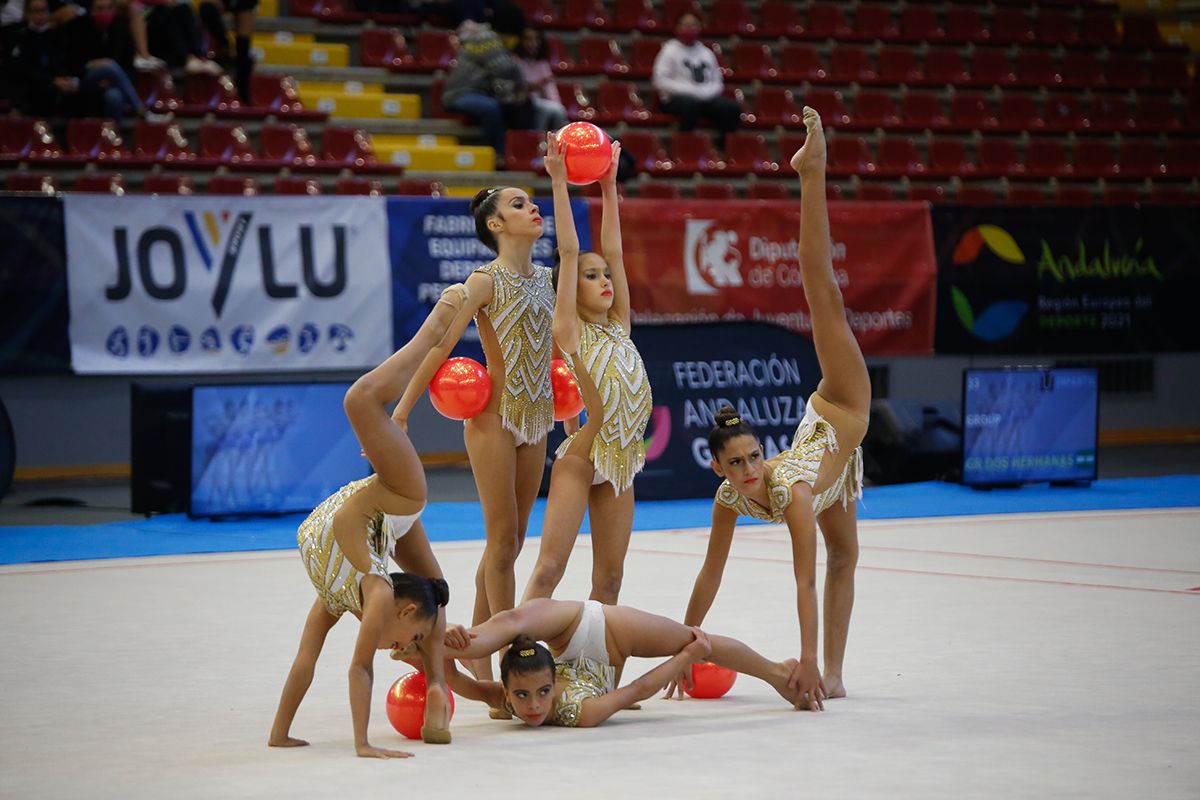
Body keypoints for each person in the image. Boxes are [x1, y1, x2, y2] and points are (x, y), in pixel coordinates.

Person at [671, 108, 870, 712]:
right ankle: (835, 676)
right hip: (827, 456)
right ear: (721, 471)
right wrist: (684, 644)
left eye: (754, 456)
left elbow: (801, 583)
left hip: (841, 407)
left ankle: (813, 170)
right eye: (738, 464)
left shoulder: (790, 494)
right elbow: (710, 576)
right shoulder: (729, 499)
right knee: (847, 554)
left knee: (821, 291)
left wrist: (802, 658)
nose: (751, 469)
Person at [268, 285, 468, 757]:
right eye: (417, 638)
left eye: (413, 640)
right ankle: (432, 334)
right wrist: (362, 744)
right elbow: (345, 521)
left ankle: (439, 688)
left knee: (436, 585)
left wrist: (282, 732)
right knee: (359, 400)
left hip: (376, 515)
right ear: (401, 610)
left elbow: (307, 660)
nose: (409, 647)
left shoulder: (346, 597)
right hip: (399, 494)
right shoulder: (375, 591)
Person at [392, 185, 554, 701]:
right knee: (503, 543)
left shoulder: (547, 278)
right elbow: (440, 343)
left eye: (532, 200)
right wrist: (401, 408)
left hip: (538, 417)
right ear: (495, 226)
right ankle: (514, 662)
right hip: (494, 420)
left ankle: (480, 656)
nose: (532, 208)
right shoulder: (485, 281)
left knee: (509, 544)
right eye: (516, 204)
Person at [521, 137, 651, 606]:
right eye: (591, 276)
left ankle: (596, 673)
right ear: (571, 287)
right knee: (550, 569)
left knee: (610, 581)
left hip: (621, 460)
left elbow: (614, 251)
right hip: (583, 459)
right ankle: (517, 658)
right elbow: (572, 251)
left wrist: (610, 186)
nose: (605, 281)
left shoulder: (620, 325)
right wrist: (559, 183)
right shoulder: (569, 328)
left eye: (607, 276)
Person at [441, 598, 804, 727]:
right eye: (523, 697)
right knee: (693, 643)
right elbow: (636, 690)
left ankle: (777, 674)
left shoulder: (511, 698)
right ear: (509, 689)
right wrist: (685, 659)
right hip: (615, 640)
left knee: (513, 621)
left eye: (538, 694)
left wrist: (435, 657)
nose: (533, 705)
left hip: (568, 633)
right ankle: (439, 640)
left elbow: (462, 684)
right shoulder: (578, 714)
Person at [441, 18, 534, 164]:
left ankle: (525, 154)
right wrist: (521, 82)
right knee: (491, 107)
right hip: (459, 93)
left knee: (521, 106)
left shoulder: (495, 41)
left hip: (480, 92)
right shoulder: (487, 40)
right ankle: (498, 153)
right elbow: (504, 69)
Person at [650, 12, 741, 144]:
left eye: (693, 25)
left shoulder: (706, 53)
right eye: (686, 25)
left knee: (731, 109)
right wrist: (692, 91)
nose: (690, 29)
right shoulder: (669, 50)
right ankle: (684, 144)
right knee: (690, 106)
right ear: (678, 27)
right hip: (675, 99)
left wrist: (705, 93)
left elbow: (717, 81)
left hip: (705, 99)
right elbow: (660, 81)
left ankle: (722, 147)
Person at [513, 26, 566, 133]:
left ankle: (553, 140)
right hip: (523, 104)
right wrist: (530, 87)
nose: (532, 43)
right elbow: (518, 89)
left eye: (536, 39)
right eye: (528, 39)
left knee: (556, 110)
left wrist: (554, 103)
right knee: (551, 110)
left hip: (542, 103)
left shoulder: (542, 63)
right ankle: (537, 139)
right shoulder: (515, 62)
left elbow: (551, 91)